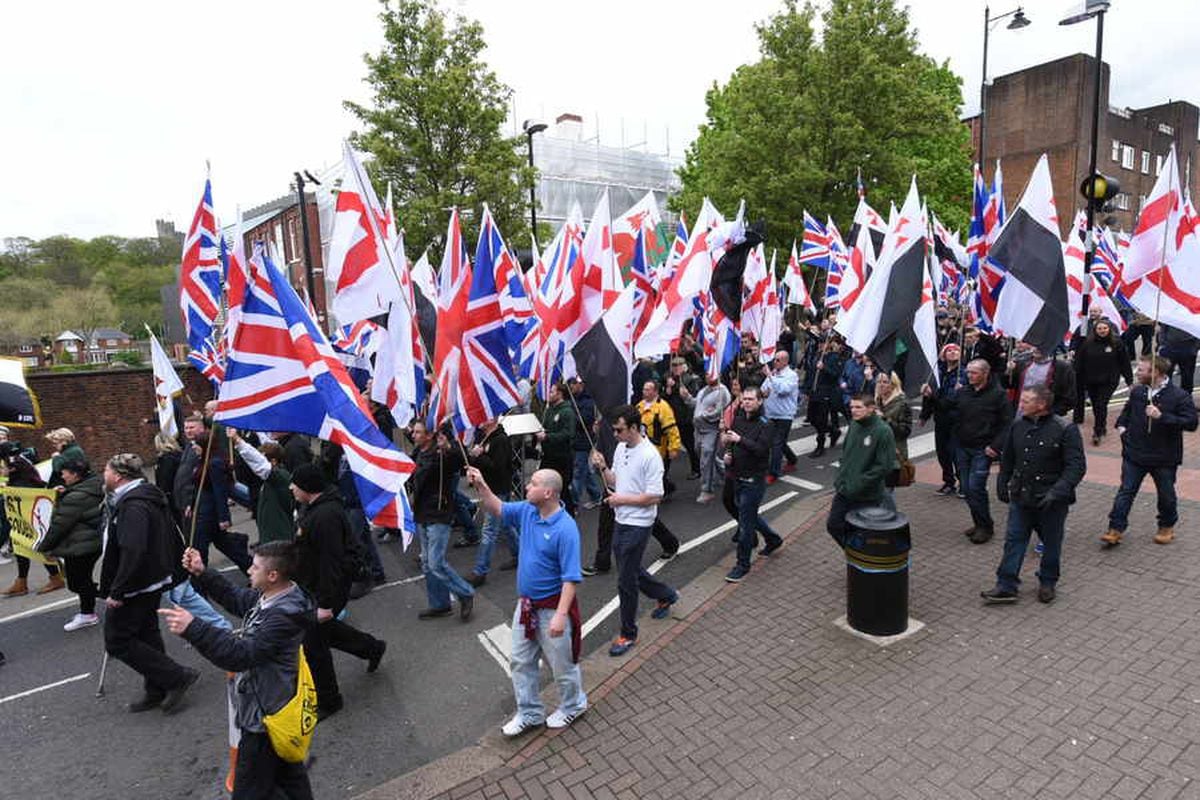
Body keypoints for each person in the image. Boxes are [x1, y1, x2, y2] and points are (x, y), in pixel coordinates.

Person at [161, 541, 316, 799]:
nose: (248, 571)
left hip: (265, 718)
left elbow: (241, 655)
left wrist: (194, 628)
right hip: (270, 708)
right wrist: (203, 572)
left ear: (273, 575)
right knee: (289, 779)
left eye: (255, 567)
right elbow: (237, 599)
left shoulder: (282, 616)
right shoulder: (273, 596)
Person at [465, 466, 587, 736]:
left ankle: (574, 704)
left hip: (553, 608)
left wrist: (560, 615)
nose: (527, 486)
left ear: (548, 492)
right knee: (520, 661)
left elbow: (571, 579)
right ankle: (530, 713)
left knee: (562, 665)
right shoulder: (529, 510)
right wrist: (482, 485)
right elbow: (498, 508)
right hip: (528, 605)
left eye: (533, 483)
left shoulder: (566, 529)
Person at [98, 453, 200, 714]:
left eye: (106, 470)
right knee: (146, 633)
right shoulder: (144, 496)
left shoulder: (133, 505)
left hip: (136, 582)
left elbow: (134, 549)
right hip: (152, 577)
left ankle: (176, 677)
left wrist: (118, 589)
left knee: (118, 640)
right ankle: (156, 689)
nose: (104, 474)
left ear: (119, 476)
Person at [289, 463, 386, 720]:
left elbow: (330, 563)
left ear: (308, 488)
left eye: (295, 485)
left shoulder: (326, 516)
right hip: (318, 584)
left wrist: (325, 603)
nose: (291, 488)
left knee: (313, 644)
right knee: (327, 632)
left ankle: (330, 700)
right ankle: (372, 648)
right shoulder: (315, 509)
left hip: (328, 587)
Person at [982, 385, 1086, 605]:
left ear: (1041, 405)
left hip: (1051, 501)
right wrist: (1003, 482)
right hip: (1022, 496)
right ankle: (1006, 585)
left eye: (1026, 401)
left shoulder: (1065, 429)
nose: (1021, 404)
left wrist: (1058, 492)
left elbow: (1076, 467)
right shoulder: (1018, 425)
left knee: (1051, 542)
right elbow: (1008, 457)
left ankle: (1047, 582)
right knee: (1014, 539)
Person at [590, 405, 678, 656]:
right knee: (630, 569)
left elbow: (655, 496)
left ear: (634, 428)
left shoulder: (650, 455)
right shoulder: (620, 448)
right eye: (614, 429)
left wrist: (622, 500)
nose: (615, 434)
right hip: (622, 518)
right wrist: (603, 467)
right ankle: (666, 595)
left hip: (639, 523)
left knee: (625, 580)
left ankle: (628, 633)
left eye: (619, 430)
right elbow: (615, 481)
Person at [1101, 356, 1199, 548]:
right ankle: (1115, 528)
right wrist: (1122, 429)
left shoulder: (1179, 396)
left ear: (1156, 373)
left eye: (1142, 370)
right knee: (1126, 492)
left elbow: (1191, 423)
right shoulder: (1138, 392)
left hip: (1164, 457)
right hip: (1134, 453)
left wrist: (1162, 416)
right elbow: (1126, 413)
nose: (1137, 372)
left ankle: (1166, 525)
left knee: (1166, 494)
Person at [407, 421, 475, 620]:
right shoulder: (419, 452)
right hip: (422, 513)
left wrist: (448, 447)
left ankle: (466, 593)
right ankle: (440, 604)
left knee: (436, 563)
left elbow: (460, 461)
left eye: (418, 432)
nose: (413, 434)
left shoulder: (442, 454)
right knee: (428, 564)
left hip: (439, 513)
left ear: (429, 435)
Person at [944, 359, 1012, 544]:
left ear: (985, 374)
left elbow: (1007, 424)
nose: (969, 376)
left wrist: (995, 446)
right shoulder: (963, 392)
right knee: (966, 488)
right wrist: (931, 395)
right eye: (968, 372)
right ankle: (980, 522)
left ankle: (985, 527)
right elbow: (947, 407)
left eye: (973, 373)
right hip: (962, 447)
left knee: (975, 487)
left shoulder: (998, 395)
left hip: (983, 449)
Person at [722, 386, 783, 583]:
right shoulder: (739, 416)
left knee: (746, 524)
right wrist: (728, 453)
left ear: (760, 401)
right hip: (736, 474)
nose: (746, 402)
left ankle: (742, 565)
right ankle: (773, 539)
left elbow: (760, 449)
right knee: (747, 514)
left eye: (751, 399)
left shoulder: (767, 424)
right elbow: (732, 441)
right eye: (744, 399)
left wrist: (739, 440)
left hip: (753, 480)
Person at [174, 414, 251, 571]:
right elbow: (196, 486)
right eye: (186, 428)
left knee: (199, 549)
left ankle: (200, 580)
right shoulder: (201, 459)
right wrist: (190, 503)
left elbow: (219, 492)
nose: (194, 447)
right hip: (200, 509)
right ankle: (248, 564)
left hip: (207, 514)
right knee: (226, 545)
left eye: (198, 445)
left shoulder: (214, 463)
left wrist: (224, 518)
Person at [37, 458, 103, 630]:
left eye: (65, 473)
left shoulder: (76, 497)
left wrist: (44, 547)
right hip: (89, 542)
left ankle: (103, 604)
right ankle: (89, 610)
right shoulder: (91, 486)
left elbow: (60, 525)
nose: (62, 476)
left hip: (80, 545)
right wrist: (64, 493)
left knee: (78, 583)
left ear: (75, 474)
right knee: (83, 580)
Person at [825, 394, 897, 548]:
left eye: (858, 407)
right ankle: (855, 555)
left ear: (871, 409)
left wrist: (859, 482)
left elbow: (884, 466)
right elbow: (846, 453)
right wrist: (840, 476)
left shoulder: (883, 431)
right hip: (844, 489)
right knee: (834, 525)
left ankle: (864, 562)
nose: (853, 410)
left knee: (861, 532)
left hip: (866, 494)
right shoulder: (854, 425)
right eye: (852, 407)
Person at [0, 442, 65, 596]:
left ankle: (55, 576)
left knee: (34, 541)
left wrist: (7, 474)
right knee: (19, 543)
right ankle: (22, 581)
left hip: (28, 508)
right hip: (20, 509)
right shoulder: (19, 460)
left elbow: (21, 481)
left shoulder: (15, 463)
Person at [466, 418, 519, 586]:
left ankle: (480, 571)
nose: (479, 418)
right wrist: (474, 457)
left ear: (493, 419)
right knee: (506, 523)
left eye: (483, 415)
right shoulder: (485, 437)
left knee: (489, 530)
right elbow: (480, 463)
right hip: (489, 489)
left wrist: (480, 456)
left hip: (497, 490)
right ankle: (520, 555)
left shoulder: (501, 439)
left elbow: (498, 467)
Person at [1072, 318, 1132, 445]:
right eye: (1099, 328)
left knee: (1101, 404)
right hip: (1091, 379)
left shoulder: (1117, 343)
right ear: (1095, 330)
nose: (1102, 331)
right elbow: (1079, 362)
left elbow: (1125, 363)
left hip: (1109, 380)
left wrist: (1129, 380)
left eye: (1105, 328)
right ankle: (1102, 425)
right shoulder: (1087, 343)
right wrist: (1076, 376)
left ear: (1109, 329)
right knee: (1096, 405)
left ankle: (1097, 431)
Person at [231, 433, 295, 543]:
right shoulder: (270, 481)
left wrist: (238, 441)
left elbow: (259, 464)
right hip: (271, 537)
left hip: (278, 538)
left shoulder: (280, 478)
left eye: (263, 457)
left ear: (273, 461)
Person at [920, 344, 967, 495]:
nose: (953, 352)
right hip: (941, 419)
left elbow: (950, 400)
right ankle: (948, 482)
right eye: (949, 350)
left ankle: (964, 483)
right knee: (942, 453)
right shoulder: (938, 371)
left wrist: (932, 396)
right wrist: (924, 415)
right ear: (943, 355)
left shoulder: (963, 372)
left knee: (956, 453)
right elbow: (929, 396)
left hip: (956, 419)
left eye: (956, 350)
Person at [637, 380, 682, 497]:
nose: (644, 392)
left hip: (659, 448)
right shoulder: (639, 406)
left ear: (655, 391)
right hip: (643, 446)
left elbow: (671, 429)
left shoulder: (663, 408)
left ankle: (660, 492)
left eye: (647, 389)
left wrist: (674, 448)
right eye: (643, 389)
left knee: (657, 474)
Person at [1006, 342, 1076, 417]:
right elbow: (1009, 385)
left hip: (1046, 420)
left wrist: (1050, 414)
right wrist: (1008, 372)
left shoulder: (1062, 369)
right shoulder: (1022, 364)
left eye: (1042, 345)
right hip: (1020, 416)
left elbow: (1069, 398)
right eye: (1036, 345)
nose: (1037, 348)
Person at [538, 382, 577, 515]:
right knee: (543, 483)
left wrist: (547, 437)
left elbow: (568, 434)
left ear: (560, 394)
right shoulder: (550, 409)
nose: (549, 394)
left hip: (562, 457)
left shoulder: (567, 411)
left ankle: (570, 514)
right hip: (548, 455)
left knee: (562, 488)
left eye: (552, 391)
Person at [761, 350, 800, 482]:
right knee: (777, 442)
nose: (774, 362)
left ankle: (773, 473)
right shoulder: (773, 373)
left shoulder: (792, 375)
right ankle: (792, 459)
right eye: (774, 360)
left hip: (784, 415)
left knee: (776, 444)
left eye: (777, 360)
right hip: (770, 413)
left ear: (785, 361)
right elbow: (763, 389)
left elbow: (783, 390)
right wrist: (764, 392)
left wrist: (771, 378)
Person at [693, 370, 731, 503]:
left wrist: (704, 416)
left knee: (706, 457)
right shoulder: (703, 390)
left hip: (711, 430)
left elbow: (719, 411)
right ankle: (724, 474)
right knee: (703, 454)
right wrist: (686, 397)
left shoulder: (723, 392)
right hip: (698, 429)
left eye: (711, 374)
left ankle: (707, 490)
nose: (708, 376)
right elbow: (696, 404)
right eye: (706, 374)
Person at [663, 357, 702, 479]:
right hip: (671, 417)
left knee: (689, 444)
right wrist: (667, 390)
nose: (676, 368)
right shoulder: (668, 378)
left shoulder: (689, 379)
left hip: (684, 417)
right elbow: (664, 396)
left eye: (678, 365)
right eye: (674, 365)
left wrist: (675, 386)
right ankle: (664, 473)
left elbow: (691, 396)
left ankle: (696, 469)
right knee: (668, 444)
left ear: (684, 366)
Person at [876, 371, 912, 501]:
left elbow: (905, 431)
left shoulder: (902, 404)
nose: (881, 385)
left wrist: (885, 419)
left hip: (893, 454)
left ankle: (890, 518)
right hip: (876, 453)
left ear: (893, 385)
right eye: (879, 382)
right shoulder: (877, 401)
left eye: (885, 382)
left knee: (886, 492)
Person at [806, 335, 845, 457]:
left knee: (821, 419)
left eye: (823, 343)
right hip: (814, 392)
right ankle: (833, 430)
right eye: (819, 343)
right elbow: (811, 374)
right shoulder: (817, 355)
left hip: (825, 393)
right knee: (812, 418)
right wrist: (807, 390)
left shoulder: (834, 357)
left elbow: (836, 375)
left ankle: (820, 446)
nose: (821, 345)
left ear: (829, 344)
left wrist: (825, 368)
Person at [567, 378, 602, 509]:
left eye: (573, 384)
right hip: (575, 439)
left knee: (578, 472)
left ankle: (573, 502)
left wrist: (571, 416)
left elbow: (585, 420)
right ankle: (596, 495)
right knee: (584, 471)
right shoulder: (572, 399)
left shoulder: (588, 401)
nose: (571, 387)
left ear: (580, 385)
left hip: (584, 439)